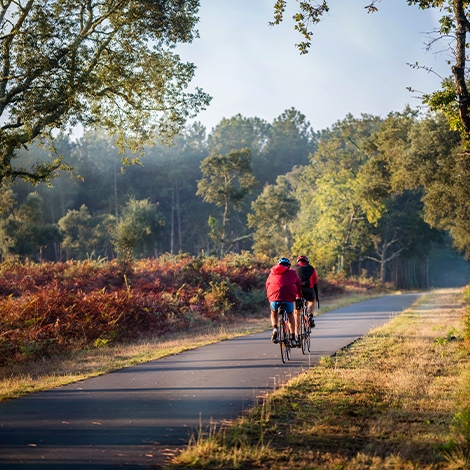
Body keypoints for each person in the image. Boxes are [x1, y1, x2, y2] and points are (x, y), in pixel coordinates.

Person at [266, 257, 303, 347]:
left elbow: (267, 285)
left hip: (274, 297)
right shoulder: (292, 273)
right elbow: (298, 284)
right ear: (289, 266)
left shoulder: (272, 273)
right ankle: (293, 338)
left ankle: (275, 328)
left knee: (273, 312)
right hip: (288, 297)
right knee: (290, 315)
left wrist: (270, 296)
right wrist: (299, 295)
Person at [294, 255, 319, 328]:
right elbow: (315, 284)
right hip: (308, 290)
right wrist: (316, 297)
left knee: (297, 312)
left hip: (297, 291)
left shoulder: (293, 269)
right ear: (307, 262)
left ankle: (296, 333)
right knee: (312, 300)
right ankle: (310, 315)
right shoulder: (311, 268)